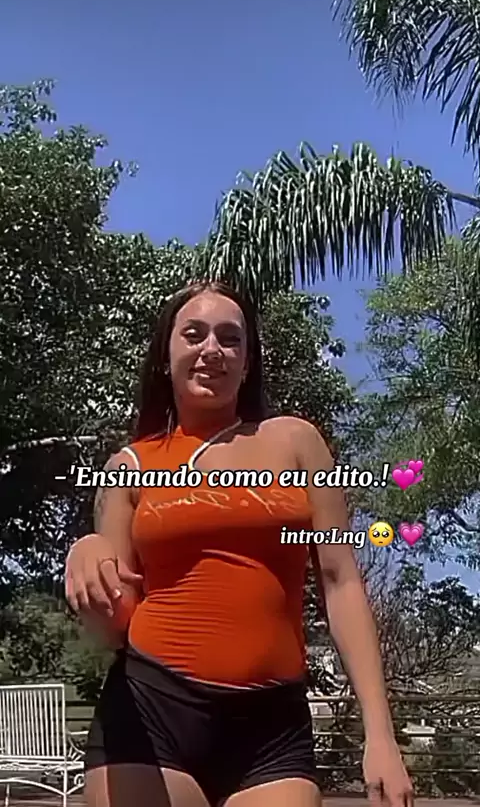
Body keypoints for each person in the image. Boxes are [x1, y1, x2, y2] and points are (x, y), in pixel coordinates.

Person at [65, 281, 413, 807]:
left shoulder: (296, 443)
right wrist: (88, 552)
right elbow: (114, 624)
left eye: (230, 339)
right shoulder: (128, 467)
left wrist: (380, 736)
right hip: (151, 710)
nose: (213, 349)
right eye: (194, 335)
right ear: (165, 356)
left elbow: (341, 581)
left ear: (247, 364)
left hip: (272, 726)